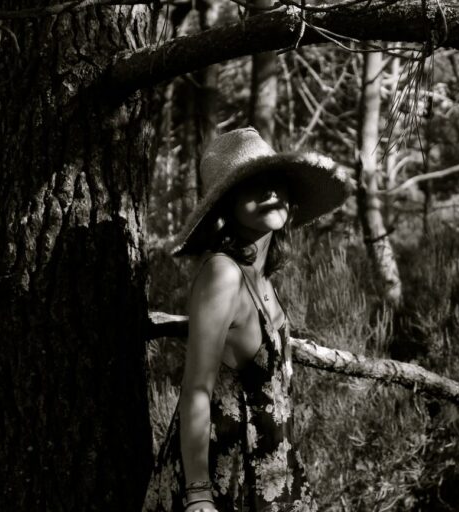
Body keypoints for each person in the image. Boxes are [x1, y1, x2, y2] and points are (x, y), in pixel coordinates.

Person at [144, 127, 350, 512]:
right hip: (225, 480)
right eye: (252, 183)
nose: (270, 190)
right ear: (227, 203)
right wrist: (198, 494)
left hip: (271, 471)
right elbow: (196, 390)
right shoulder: (223, 274)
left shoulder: (262, 277)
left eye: (276, 180)